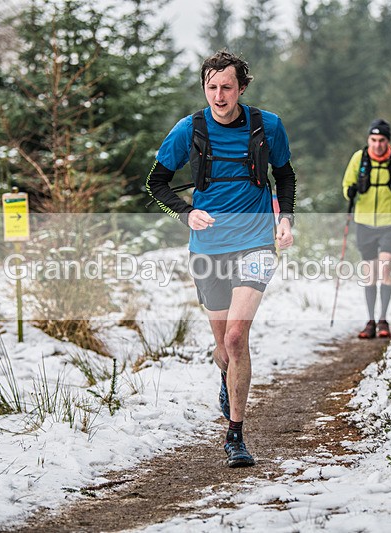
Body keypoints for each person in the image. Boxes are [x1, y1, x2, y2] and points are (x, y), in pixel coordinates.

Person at [146, 50, 296, 468]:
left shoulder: (268, 126)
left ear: (241, 88)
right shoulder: (188, 129)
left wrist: (285, 219)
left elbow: (284, 175)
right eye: (211, 87)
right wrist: (184, 212)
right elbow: (154, 182)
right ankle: (225, 379)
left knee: (235, 338)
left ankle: (236, 435)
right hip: (209, 249)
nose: (219, 95)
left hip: (255, 243)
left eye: (226, 87)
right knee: (221, 347)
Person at [342, 119, 391, 339]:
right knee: (369, 272)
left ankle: (383, 319)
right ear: (368, 140)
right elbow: (346, 185)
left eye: (381, 140)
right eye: (373, 140)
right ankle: (370, 321)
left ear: (388, 141)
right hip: (364, 222)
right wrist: (351, 191)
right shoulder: (359, 158)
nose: (377, 144)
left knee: (384, 267)